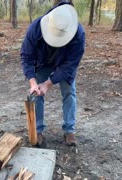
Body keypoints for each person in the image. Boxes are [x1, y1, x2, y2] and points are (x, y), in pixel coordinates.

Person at [20, 1, 85, 146]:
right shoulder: (36, 28)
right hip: (42, 62)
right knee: (36, 93)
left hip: (64, 63)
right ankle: (38, 130)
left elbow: (69, 66)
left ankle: (69, 130)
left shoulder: (78, 35)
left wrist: (48, 84)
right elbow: (26, 57)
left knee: (69, 93)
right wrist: (33, 82)